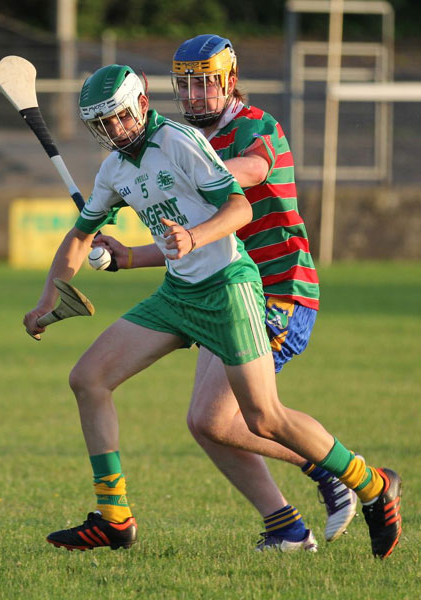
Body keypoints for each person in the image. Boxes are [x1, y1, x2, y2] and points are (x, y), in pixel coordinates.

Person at [25, 63, 401, 560]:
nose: (114, 130)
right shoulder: (113, 170)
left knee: (263, 418)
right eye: (103, 124)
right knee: (88, 378)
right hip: (179, 295)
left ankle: (370, 483)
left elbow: (240, 208)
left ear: (140, 104)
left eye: (118, 117)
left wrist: (195, 236)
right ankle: (115, 519)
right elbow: (80, 235)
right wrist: (49, 296)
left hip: (229, 288)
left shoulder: (180, 141)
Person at [97, 35, 358, 551]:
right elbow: (186, 241)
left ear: (230, 81)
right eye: (185, 85)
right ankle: (285, 525)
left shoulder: (255, 127)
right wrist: (130, 252)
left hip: (278, 291)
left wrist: (169, 180)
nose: (194, 96)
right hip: (223, 292)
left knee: (244, 417)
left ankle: (344, 474)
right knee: (207, 422)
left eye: (205, 84)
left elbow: (253, 172)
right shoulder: (184, 145)